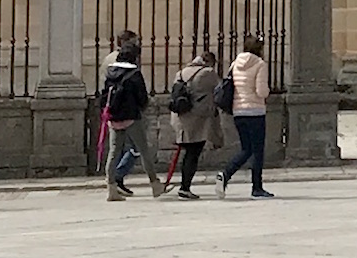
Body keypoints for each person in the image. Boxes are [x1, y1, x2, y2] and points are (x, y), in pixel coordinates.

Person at [100, 33, 164, 200]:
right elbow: (142, 98)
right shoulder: (134, 74)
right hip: (131, 117)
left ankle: (111, 188)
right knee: (143, 150)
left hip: (114, 118)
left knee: (113, 152)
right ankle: (155, 184)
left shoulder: (110, 72)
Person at [219, 33, 272, 199]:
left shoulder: (235, 63)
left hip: (238, 111)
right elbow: (261, 91)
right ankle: (257, 187)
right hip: (255, 111)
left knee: (246, 149)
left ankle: (226, 174)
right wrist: (267, 91)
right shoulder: (260, 64)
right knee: (257, 151)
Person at [166, 48, 221, 200]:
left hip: (179, 117)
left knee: (187, 152)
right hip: (196, 118)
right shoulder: (208, 73)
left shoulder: (181, 72)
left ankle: (184, 185)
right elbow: (219, 89)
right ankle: (185, 187)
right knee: (193, 153)